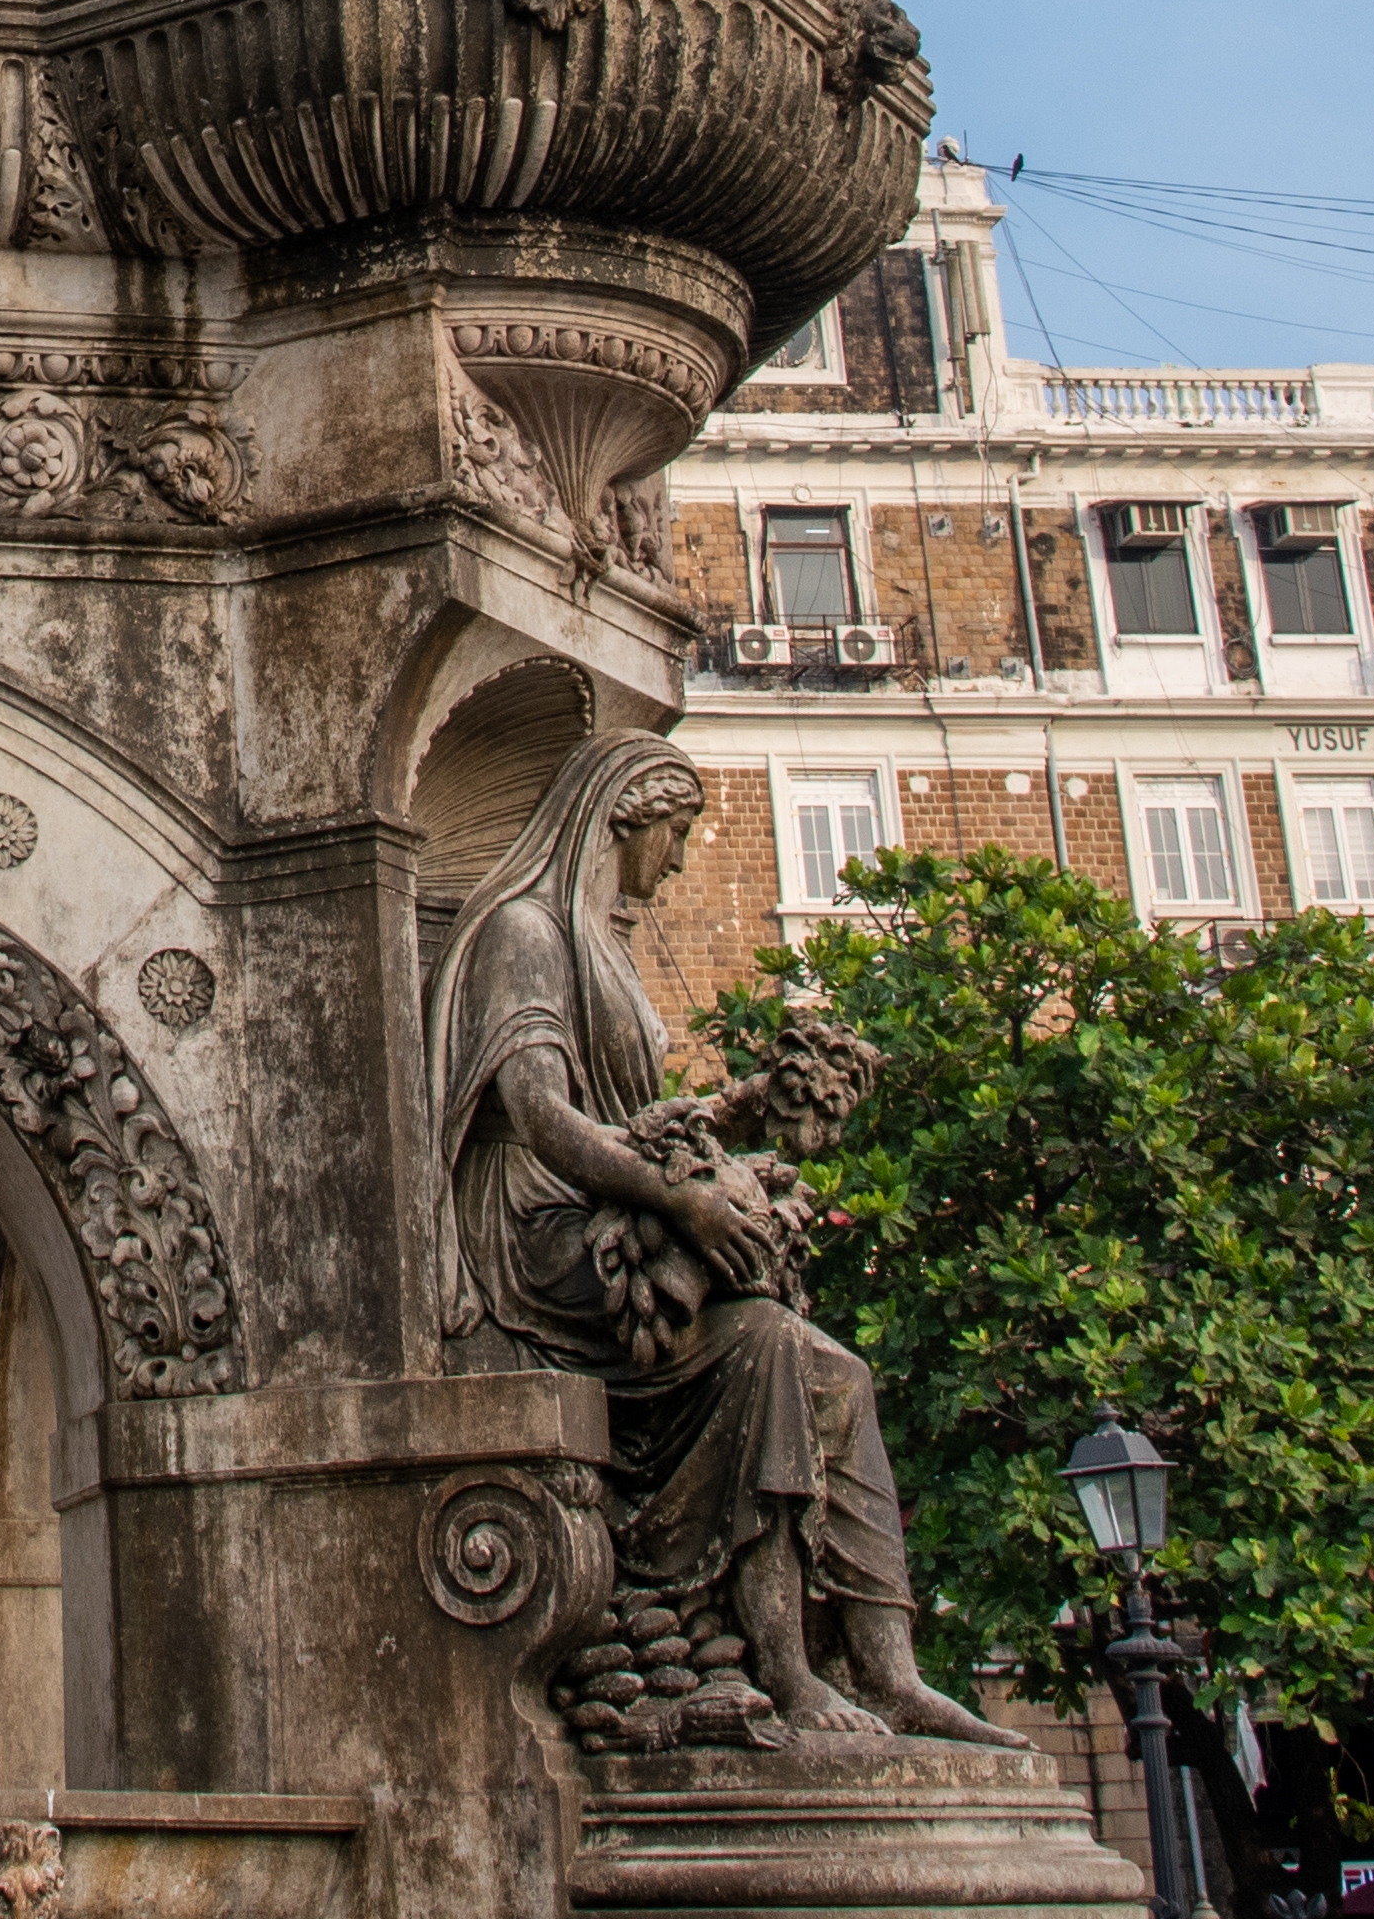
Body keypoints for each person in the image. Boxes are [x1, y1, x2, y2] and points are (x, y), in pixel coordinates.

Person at [426, 730, 1010, 1746]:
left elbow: (636, 1118)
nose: (682, 860)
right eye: (678, 833)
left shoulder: (601, 942)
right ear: (625, 816)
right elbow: (541, 1113)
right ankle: (782, 1664)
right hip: (536, 1233)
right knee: (768, 1345)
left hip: (610, 1209)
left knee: (843, 1376)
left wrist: (744, 1107)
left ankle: (890, 1671)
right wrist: (687, 1202)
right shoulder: (524, 929)